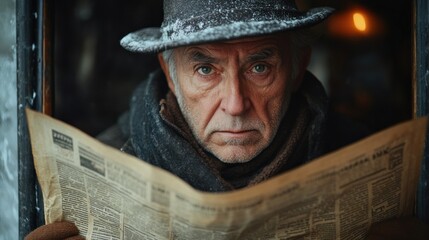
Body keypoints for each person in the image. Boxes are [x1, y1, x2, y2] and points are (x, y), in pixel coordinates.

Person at [25, 0, 428, 239]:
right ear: (170, 74)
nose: (235, 104)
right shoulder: (103, 168)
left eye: (259, 67)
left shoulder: (366, 158)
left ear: (298, 66)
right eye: (205, 69)